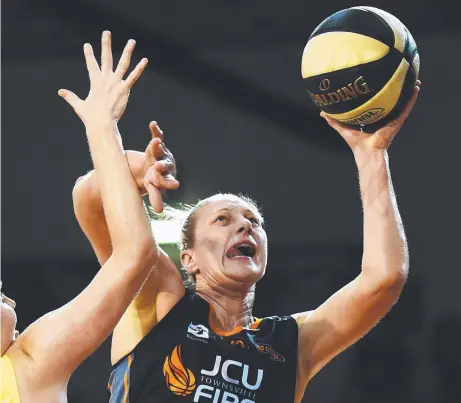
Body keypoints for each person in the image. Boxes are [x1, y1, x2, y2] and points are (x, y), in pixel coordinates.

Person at [74, 69, 421, 402]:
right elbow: (89, 200)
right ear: (188, 258)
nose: (245, 226)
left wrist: (371, 155)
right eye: (222, 219)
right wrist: (139, 168)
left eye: (254, 221)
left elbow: (384, 278)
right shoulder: (159, 298)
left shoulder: (290, 344)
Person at [0, 31, 158, 403]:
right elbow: (134, 254)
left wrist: (107, 135)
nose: (12, 303)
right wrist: (102, 128)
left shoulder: (24, 367)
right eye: (0, 294)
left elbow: (90, 199)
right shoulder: (27, 365)